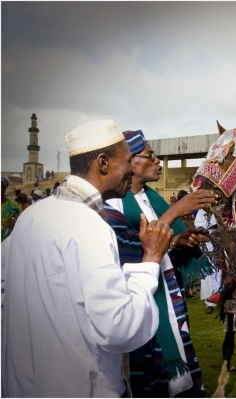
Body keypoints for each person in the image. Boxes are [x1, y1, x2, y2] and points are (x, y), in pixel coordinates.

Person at [2, 119, 173, 397]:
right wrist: (151, 259)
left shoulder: (31, 216)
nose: (132, 169)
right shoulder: (90, 226)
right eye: (128, 160)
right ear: (103, 163)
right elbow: (120, 326)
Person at [105, 129, 218, 397]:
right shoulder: (113, 204)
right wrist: (178, 209)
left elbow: (159, 244)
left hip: (168, 295)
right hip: (140, 302)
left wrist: (178, 241)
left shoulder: (150, 199)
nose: (158, 161)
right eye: (150, 155)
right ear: (131, 162)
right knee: (148, 376)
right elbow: (133, 248)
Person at [1, 177, 20, 242]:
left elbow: (21, 221)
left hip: (5, 241)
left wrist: (16, 223)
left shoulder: (14, 205)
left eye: (2, 187)